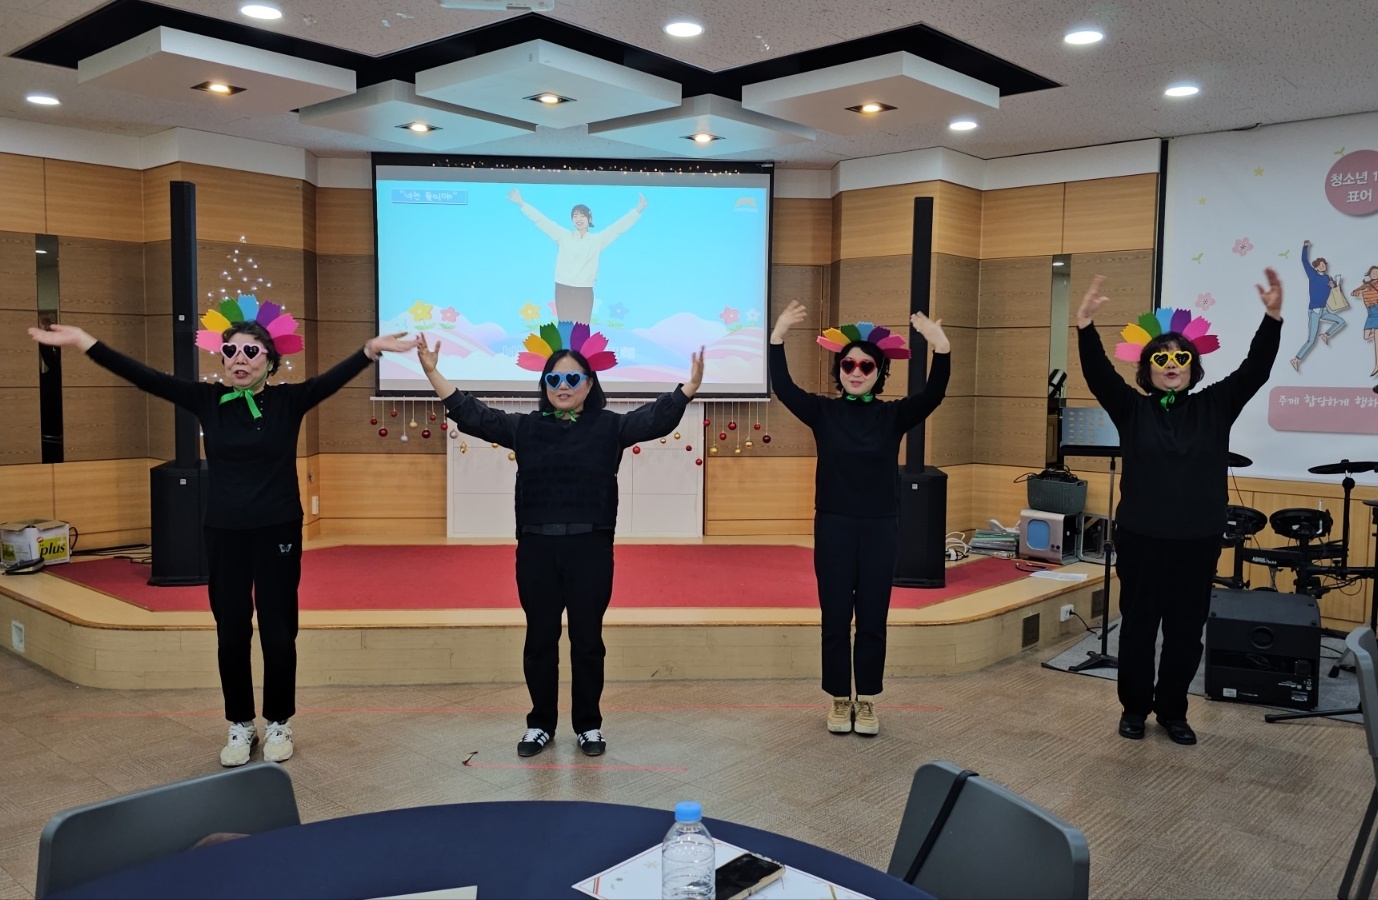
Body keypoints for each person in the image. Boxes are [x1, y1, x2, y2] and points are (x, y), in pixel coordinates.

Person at [28, 306, 416, 767]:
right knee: (231, 632)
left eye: (251, 351)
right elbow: (145, 377)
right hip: (224, 532)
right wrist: (85, 342)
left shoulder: (289, 401)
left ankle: (279, 721)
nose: (239, 359)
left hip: (277, 529)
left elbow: (332, 379)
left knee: (278, 631)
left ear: (270, 361)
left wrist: (369, 350)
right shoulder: (207, 400)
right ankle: (240, 724)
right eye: (230, 351)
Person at [418, 323, 703, 758]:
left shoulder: (609, 427)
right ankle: (540, 724)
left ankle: (588, 725)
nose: (563, 385)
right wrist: (433, 374)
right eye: (554, 378)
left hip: (590, 549)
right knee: (540, 641)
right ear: (544, 385)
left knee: (588, 642)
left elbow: (654, 419)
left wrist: (688, 389)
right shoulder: (525, 428)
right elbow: (474, 415)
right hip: (537, 550)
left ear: (589, 384)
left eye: (572, 377)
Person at [1076, 269, 1283, 745]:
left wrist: (1272, 319)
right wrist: (1085, 326)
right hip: (1141, 539)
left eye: (1180, 357)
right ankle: (1134, 708)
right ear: (1147, 369)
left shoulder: (1215, 405)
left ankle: (1173, 710)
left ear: (1193, 366)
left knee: (1186, 632)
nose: (1172, 364)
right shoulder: (1132, 409)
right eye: (1162, 358)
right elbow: (1098, 374)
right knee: (1138, 629)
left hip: (1197, 540)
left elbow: (1255, 369)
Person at [768, 301, 951, 736]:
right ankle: (838, 697)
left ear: (879, 372)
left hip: (880, 526)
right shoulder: (823, 412)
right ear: (839, 369)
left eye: (866, 365)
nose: (855, 371)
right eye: (848, 364)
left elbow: (933, 395)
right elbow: (785, 388)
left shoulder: (893, 415)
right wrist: (777, 337)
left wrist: (941, 348)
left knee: (872, 615)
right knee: (834, 616)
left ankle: (866, 699)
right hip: (834, 524)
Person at [507, 188, 646, 323]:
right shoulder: (563, 236)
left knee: (582, 330)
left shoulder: (597, 240)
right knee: (565, 329)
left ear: (589, 218)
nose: (578, 219)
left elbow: (618, 228)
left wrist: (637, 210)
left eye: (582, 216)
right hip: (563, 288)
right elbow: (542, 221)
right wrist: (521, 203)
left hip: (584, 290)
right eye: (575, 216)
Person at [1290, 239, 1344, 371]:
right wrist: (1305, 247)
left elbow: (1334, 289)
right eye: (1320, 265)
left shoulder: (1328, 278)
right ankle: (1296, 359)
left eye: (1323, 264)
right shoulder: (1313, 275)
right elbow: (1304, 261)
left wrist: (1333, 285)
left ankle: (1326, 335)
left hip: (1324, 310)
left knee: (1341, 321)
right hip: (1314, 311)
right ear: (1316, 267)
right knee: (1311, 340)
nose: (1322, 266)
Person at [1351, 265, 1378, 376]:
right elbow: (1353, 292)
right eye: (1373, 272)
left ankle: (1377, 365)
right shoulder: (1366, 285)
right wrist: (1358, 291)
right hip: (1370, 312)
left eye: (1377, 272)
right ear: (1369, 274)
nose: (1375, 274)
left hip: (1377, 310)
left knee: (1377, 341)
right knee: (1366, 336)